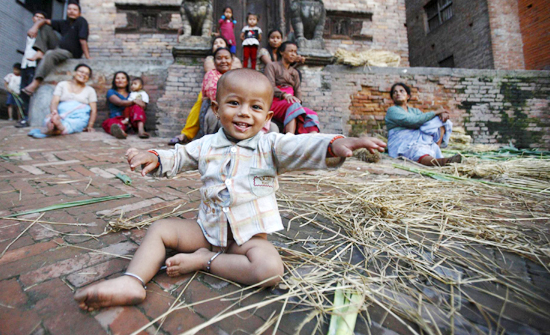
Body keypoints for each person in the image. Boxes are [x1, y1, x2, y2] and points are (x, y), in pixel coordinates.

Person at [73, 68, 386, 311]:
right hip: (206, 230)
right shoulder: (207, 144)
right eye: (234, 103)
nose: (244, 113)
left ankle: (205, 262)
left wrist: (335, 144)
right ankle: (132, 281)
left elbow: (302, 145)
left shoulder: (270, 145)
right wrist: (154, 156)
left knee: (270, 269)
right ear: (216, 107)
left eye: (255, 107)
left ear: (267, 116)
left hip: (246, 239)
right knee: (160, 229)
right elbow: (180, 156)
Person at [168, 36, 241, 145]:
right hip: (213, 93)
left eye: (221, 42)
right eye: (215, 43)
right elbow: (212, 82)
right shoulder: (210, 62)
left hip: (230, 97)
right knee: (200, 104)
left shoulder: (234, 61)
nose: (218, 44)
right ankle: (187, 134)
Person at [21, 3, 91, 96]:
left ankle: (35, 83)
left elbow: (83, 40)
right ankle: (40, 51)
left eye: (74, 10)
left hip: (70, 52)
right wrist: (35, 27)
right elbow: (44, 20)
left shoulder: (81, 21)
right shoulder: (64, 23)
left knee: (50, 54)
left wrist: (87, 57)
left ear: (79, 13)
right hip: (58, 48)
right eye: (69, 9)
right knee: (44, 25)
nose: (71, 11)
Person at [385, 82, 461, 166]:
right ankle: (443, 162)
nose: (398, 93)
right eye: (395, 92)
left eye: (401, 91)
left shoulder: (414, 111)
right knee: (416, 150)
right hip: (400, 140)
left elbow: (425, 120)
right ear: (393, 98)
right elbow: (413, 121)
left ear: (408, 96)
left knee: (440, 122)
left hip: (415, 137)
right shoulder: (392, 110)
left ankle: (436, 150)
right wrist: (436, 112)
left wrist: (440, 115)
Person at [27, 64, 97, 138]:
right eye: (81, 72)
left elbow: (94, 110)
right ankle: (56, 125)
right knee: (49, 118)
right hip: (61, 115)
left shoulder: (90, 90)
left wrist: (90, 125)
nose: (84, 75)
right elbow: (54, 101)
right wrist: (54, 112)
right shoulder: (62, 85)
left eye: (87, 74)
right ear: (74, 73)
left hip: (78, 118)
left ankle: (55, 128)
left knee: (75, 124)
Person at [264, 41, 320, 134]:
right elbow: (270, 85)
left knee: (311, 114)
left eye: (295, 52)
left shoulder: (295, 72)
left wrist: (299, 101)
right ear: (282, 52)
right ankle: (289, 137)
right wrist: (285, 95)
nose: (293, 54)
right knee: (293, 105)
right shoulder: (272, 66)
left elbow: (297, 90)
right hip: (275, 100)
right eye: (290, 51)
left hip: (291, 101)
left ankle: (312, 140)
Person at [15, 11, 47, 128]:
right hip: (25, 64)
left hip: (35, 65)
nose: (39, 19)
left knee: (31, 91)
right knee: (23, 91)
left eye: (41, 18)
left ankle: (29, 118)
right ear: (33, 18)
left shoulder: (43, 33)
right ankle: (24, 117)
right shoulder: (31, 31)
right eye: (37, 17)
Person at [197, 47, 234, 137]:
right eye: (219, 58)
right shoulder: (211, 74)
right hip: (215, 108)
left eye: (226, 58)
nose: (223, 61)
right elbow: (214, 95)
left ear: (232, 60)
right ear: (214, 62)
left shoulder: (235, 75)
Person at [102, 72, 148, 139]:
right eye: (117, 78)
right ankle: (121, 132)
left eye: (123, 78)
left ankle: (141, 130)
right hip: (117, 119)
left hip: (131, 121)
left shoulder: (132, 94)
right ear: (114, 81)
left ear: (127, 82)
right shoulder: (111, 92)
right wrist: (134, 101)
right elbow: (119, 102)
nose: (120, 80)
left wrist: (139, 103)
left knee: (136, 107)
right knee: (111, 123)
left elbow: (143, 105)